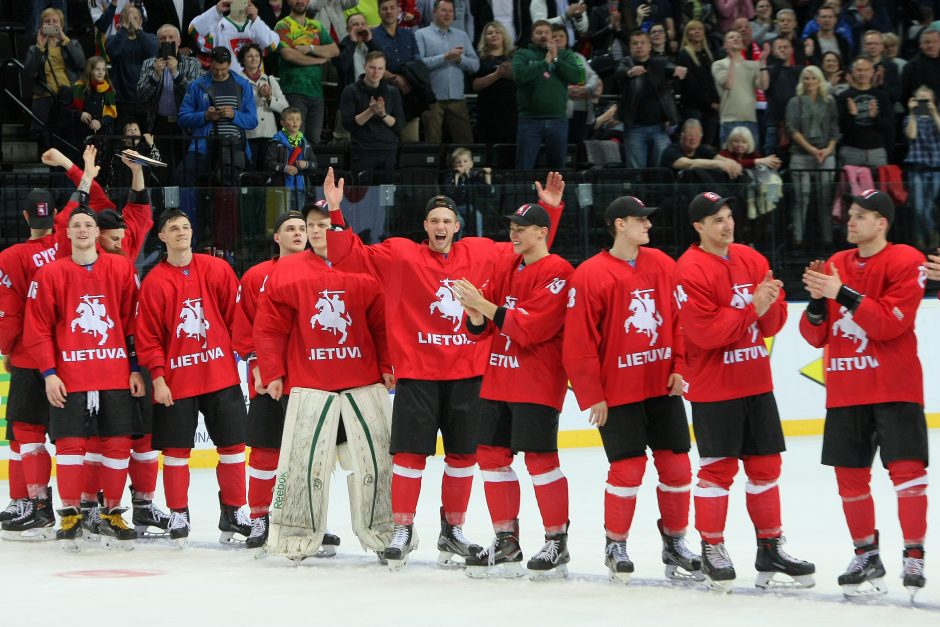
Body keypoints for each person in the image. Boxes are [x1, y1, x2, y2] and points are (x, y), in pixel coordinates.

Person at [324, 170, 566, 569]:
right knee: (409, 458)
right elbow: (350, 255)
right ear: (425, 227)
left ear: (457, 226)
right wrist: (336, 210)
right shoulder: (402, 254)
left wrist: (550, 211)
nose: (440, 226)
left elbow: (532, 249)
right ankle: (402, 529)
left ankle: (452, 530)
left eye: (446, 221)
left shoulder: (483, 252)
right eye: (434, 220)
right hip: (418, 376)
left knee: (462, 457)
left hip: (469, 375)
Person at [674, 191, 815, 592]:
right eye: (716, 219)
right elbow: (705, 333)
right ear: (698, 226)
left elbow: (772, 324)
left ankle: (770, 545)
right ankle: (712, 546)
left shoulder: (752, 259)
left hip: (756, 382)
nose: (727, 224)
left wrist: (769, 306)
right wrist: (753, 306)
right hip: (716, 388)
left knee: (766, 467)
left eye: (729, 216)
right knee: (718, 470)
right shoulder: (689, 270)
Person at [563, 195, 701, 585]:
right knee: (628, 468)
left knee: (676, 466)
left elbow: (680, 320)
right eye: (641, 219)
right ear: (619, 224)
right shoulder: (590, 274)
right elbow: (578, 342)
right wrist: (593, 395)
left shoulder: (662, 264)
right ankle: (615, 544)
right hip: (619, 393)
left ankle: (675, 542)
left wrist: (680, 367)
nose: (649, 226)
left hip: (662, 386)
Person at [800, 190, 928, 599]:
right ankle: (865, 553)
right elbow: (814, 335)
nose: (850, 221)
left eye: (861, 216)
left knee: (908, 475)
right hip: (846, 388)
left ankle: (914, 554)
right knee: (850, 478)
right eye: (850, 214)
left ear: (882, 223)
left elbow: (891, 323)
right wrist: (818, 303)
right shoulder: (837, 264)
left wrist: (842, 294)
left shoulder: (906, 259)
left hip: (894, 386)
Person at [251, 203, 394, 557]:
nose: (316, 232)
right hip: (309, 386)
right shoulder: (287, 270)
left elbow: (380, 321)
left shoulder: (363, 267)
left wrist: (389, 363)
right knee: (304, 464)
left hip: (361, 385)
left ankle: (384, 534)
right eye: (312, 225)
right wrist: (273, 372)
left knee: (369, 463)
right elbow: (270, 327)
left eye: (324, 225)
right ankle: (296, 535)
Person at [451, 202, 574, 579]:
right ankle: (506, 539)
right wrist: (472, 311)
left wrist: (482, 306)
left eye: (523, 227)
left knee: (540, 461)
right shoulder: (507, 266)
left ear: (542, 231)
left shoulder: (559, 271)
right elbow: (481, 326)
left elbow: (529, 328)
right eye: (512, 227)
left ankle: (557, 541)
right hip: (498, 378)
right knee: (490, 458)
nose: (514, 233)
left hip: (537, 381)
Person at [24, 179, 143, 548]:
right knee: (71, 444)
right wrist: (48, 374)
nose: (82, 230)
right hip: (70, 376)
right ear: (68, 232)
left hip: (115, 372)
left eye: (88, 225)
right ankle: (71, 511)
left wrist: (136, 366)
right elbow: (38, 329)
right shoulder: (50, 274)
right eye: (76, 225)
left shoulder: (121, 270)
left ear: (97, 231)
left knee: (118, 442)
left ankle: (111, 511)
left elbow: (131, 322)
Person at [136, 209, 251, 546]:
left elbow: (236, 318)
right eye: (173, 228)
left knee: (232, 448)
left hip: (220, 376)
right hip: (176, 383)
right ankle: (178, 512)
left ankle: (233, 511)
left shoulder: (217, 269)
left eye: (186, 226)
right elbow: (149, 337)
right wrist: (158, 377)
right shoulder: (155, 282)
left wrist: (245, 358)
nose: (181, 232)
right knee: (175, 452)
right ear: (162, 236)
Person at [232, 209, 310, 548]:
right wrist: (259, 366)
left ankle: (303, 521)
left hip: (310, 380)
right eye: (289, 228)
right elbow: (244, 330)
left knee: (307, 456)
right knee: (265, 453)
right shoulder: (256, 276)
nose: (297, 233)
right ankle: (260, 518)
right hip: (270, 382)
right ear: (276, 238)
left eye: (302, 228)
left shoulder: (322, 272)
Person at [0, 190, 59, 538]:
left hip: (26, 353)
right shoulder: (67, 250)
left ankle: (32, 503)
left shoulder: (10, 256)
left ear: (25, 217)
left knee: (24, 432)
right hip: (66, 354)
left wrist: (6, 347)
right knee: (75, 440)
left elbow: (9, 311)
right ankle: (86, 504)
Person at [174, 46, 258, 241]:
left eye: (223, 68)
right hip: (203, 144)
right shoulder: (197, 85)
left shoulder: (242, 85)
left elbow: (252, 120)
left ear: (229, 65)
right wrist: (205, 115)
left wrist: (233, 114)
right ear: (210, 64)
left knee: (228, 193)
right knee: (181, 177)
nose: (219, 72)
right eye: (216, 68)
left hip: (233, 146)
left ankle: (225, 243)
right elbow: (183, 118)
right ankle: (188, 233)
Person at [512, 20, 582, 170]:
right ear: (532, 37)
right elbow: (519, 75)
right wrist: (545, 62)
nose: (543, 36)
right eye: (539, 33)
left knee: (558, 169)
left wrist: (556, 59)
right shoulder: (522, 54)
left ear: (552, 35)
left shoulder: (566, 54)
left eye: (546, 32)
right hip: (530, 120)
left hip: (558, 119)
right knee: (524, 167)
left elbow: (577, 77)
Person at [136, 24, 203, 178]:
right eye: (163, 38)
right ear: (158, 43)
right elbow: (141, 96)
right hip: (158, 125)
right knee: (161, 171)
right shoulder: (148, 64)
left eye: (171, 37)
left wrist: (176, 73)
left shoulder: (192, 63)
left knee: (183, 172)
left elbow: (196, 95)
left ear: (178, 41)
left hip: (184, 126)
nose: (167, 40)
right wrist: (155, 76)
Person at [615, 29, 686, 169]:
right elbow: (619, 73)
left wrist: (678, 70)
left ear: (649, 46)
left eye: (642, 43)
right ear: (630, 47)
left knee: (660, 169)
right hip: (634, 128)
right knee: (637, 170)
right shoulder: (626, 62)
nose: (639, 46)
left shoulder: (660, 62)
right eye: (635, 43)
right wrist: (630, 73)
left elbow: (671, 68)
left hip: (659, 127)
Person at [785, 65, 839, 250]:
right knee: (802, 196)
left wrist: (828, 150)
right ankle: (798, 240)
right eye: (806, 78)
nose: (809, 82)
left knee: (826, 197)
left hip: (826, 153)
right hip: (801, 154)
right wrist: (811, 150)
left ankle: (827, 240)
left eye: (813, 78)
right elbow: (792, 130)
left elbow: (834, 129)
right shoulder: (795, 102)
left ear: (820, 80)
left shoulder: (829, 101)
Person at [22, 7, 85, 154]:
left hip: (67, 99)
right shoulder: (34, 49)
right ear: (41, 26)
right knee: (49, 145)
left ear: (61, 25)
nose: (51, 24)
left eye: (55, 21)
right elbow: (29, 73)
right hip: (44, 99)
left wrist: (64, 39)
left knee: (68, 145)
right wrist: (39, 47)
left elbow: (81, 63)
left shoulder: (72, 44)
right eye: (47, 21)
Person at [275, 0, 339, 143]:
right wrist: (318, 60)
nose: (300, 1)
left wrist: (310, 48)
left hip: (317, 93)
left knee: (314, 140)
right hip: (293, 90)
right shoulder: (282, 25)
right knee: (295, 139)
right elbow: (289, 55)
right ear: (289, 2)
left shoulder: (316, 26)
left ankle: (309, 166)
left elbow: (334, 50)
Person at [416, 0, 480, 144]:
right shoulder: (421, 34)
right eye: (444, 10)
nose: (448, 14)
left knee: (466, 142)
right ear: (434, 12)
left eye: (450, 11)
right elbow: (418, 65)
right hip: (432, 99)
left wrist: (459, 59)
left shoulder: (461, 35)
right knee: (432, 143)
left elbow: (475, 65)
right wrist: (445, 57)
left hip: (457, 98)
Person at [340, 50, 404, 176]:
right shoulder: (350, 91)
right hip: (362, 151)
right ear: (364, 66)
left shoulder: (392, 92)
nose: (376, 72)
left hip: (388, 150)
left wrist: (383, 115)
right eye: (372, 67)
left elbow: (399, 124)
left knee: (386, 193)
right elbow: (348, 124)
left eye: (380, 68)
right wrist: (370, 111)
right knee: (363, 194)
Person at [372, 0, 422, 142]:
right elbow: (372, 63)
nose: (388, 11)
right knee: (386, 144)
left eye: (392, 8)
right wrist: (395, 78)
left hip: (409, 96)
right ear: (378, 12)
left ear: (398, 10)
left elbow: (417, 61)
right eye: (384, 9)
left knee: (411, 147)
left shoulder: (409, 35)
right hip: (384, 97)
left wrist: (409, 79)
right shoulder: (373, 36)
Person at [190, 0, 282, 74]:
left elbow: (272, 45)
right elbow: (194, 30)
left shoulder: (257, 27)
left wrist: (255, 19)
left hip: (253, 89)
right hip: (224, 87)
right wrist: (216, 10)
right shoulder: (217, 25)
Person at [238, 42, 290, 168]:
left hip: (269, 134)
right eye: (250, 56)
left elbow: (284, 107)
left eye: (257, 56)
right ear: (242, 60)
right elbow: (239, 107)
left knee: (267, 171)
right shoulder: (238, 81)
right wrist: (259, 96)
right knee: (251, 171)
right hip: (249, 134)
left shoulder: (269, 79)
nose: (254, 58)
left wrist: (269, 98)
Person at [712, 29, 768, 146]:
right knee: (730, 162)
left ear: (743, 44)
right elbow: (728, 84)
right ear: (725, 45)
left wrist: (762, 63)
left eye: (738, 37)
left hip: (750, 120)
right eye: (731, 37)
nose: (736, 39)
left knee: (751, 161)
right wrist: (732, 61)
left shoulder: (752, 65)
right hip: (729, 120)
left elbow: (764, 85)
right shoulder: (719, 64)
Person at [106, 4, 158, 125]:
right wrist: (124, 27)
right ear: (120, 20)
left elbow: (152, 52)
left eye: (134, 18)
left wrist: (136, 27)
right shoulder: (112, 39)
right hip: (121, 100)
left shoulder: (151, 38)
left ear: (141, 20)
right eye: (127, 18)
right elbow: (114, 51)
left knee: (145, 138)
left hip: (145, 100)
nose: (130, 21)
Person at [837, 56, 893, 167]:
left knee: (879, 185)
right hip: (851, 150)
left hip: (876, 151)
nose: (863, 73)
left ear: (872, 72)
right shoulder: (844, 96)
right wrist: (852, 115)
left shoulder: (882, 96)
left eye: (866, 70)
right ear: (853, 72)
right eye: (859, 70)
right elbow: (840, 128)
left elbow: (889, 126)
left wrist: (875, 117)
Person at [905, 86, 940, 249]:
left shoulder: (937, 117)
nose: (924, 104)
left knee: (929, 205)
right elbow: (911, 135)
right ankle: (923, 237)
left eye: (927, 100)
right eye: (921, 100)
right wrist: (912, 112)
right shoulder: (910, 118)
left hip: (935, 168)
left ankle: (930, 236)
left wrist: (933, 112)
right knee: (919, 206)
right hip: (917, 167)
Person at [677, 20, 720, 148]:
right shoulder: (684, 55)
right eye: (693, 29)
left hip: (711, 108)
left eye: (700, 29)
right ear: (687, 34)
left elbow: (713, 81)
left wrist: (716, 101)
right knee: (693, 145)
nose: (697, 32)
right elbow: (691, 85)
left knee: (709, 144)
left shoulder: (708, 53)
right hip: (694, 107)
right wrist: (710, 103)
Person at [472, 21, 517, 144]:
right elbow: (475, 85)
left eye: (497, 32)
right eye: (490, 33)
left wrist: (511, 74)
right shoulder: (479, 57)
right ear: (484, 38)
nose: (494, 35)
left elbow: (525, 78)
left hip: (511, 109)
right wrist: (497, 75)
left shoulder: (515, 55)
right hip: (487, 109)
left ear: (504, 36)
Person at [265, 107, 317, 211]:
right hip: (281, 189)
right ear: (282, 123)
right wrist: (285, 168)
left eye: (298, 119)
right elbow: (268, 163)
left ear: (301, 122)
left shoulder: (305, 144)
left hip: (301, 189)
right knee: (283, 219)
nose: (295, 122)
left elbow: (315, 165)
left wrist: (306, 164)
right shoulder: (276, 142)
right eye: (291, 119)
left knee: (299, 218)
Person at [444, 146, 492, 237]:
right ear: (454, 165)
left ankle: (479, 240)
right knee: (459, 221)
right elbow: (450, 193)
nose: (462, 164)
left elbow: (486, 192)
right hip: (454, 208)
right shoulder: (450, 177)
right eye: (458, 162)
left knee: (477, 215)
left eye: (465, 161)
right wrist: (457, 177)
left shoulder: (474, 176)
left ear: (471, 164)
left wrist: (487, 177)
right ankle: (456, 244)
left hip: (471, 208)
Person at [70, 56, 117, 144]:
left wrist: (100, 123)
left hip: (102, 135)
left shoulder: (108, 89)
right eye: (97, 69)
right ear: (90, 71)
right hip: (81, 134)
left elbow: (111, 115)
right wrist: (80, 114)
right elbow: (68, 110)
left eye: (103, 69)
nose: (101, 72)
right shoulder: (78, 87)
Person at [902, 27, 940, 105]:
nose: (931, 45)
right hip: (923, 112)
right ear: (920, 45)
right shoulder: (911, 67)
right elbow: (904, 95)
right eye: (927, 42)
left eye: (934, 42)